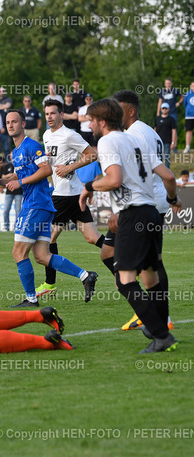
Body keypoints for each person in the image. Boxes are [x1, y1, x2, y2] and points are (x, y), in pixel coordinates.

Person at [79, 99, 179, 353]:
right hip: (151, 213)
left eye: (91, 120)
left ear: (102, 121)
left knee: (125, 281)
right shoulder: (136, 139)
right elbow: (167, 175)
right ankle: (162, 331)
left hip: (133, 215)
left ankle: (160, 334)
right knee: (152, 276)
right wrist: (172, 199)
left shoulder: (108, 141)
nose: (89, 125)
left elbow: (114, 179)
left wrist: (89, 187)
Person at [0, 110, 97, 308]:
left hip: (36, 204)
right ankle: (85, 275)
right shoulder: (16, 151)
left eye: (15, 122)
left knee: (18, 253)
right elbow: (19, 176)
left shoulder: (31, 145)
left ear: (23, 124)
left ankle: (31, 299)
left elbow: (46, 170)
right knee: (42, 256)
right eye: (8, 122)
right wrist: (1, 181)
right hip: (41, 205)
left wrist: (20, 182)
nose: (11, 125)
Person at [111, 90, 178, 332]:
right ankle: (155, 314)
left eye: (118, 109)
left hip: (142, 204)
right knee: (146, 262)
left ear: (129, 111)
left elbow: (141, 172)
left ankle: (157, 316)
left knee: (145, 266)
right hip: (154, 201)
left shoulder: (135, 134)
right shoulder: (147, 130)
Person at [34, 99, 102, 297]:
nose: (49, 117)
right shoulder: (47, 134)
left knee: (47, 241)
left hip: (64, 195)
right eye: (47, 114)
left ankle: (50, 283)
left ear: (61, 115)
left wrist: (69, 167)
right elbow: (55, 161)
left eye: (53, 113)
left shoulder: (69, 135)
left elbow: (92, 155)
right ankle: (126, 260)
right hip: (71, 194)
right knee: (92, 237)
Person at [0, 154, 23, 231]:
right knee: (6, 210)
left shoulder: (21, 165)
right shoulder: (7, 166)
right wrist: (10, 175)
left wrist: (11, 176)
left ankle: (16, 227)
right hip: (9, 191)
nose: (12, 158)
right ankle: (6, 227)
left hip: (19, 191)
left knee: (18, 211)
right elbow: (2, 177)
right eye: (11, 157)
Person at [155, 102, 177, 168]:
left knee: (167, 157)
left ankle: (167, 172)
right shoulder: (157, 119)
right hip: (158, 141)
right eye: (163, 108)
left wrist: (173, 142)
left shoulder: (171, 119)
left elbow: (174, 131)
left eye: (166, 108)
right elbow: (155, 129)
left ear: (168, 109)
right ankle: (160, 173)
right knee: (158, 157)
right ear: (161, 109)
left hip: (167, 141)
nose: (164, 109)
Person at [184, 81, 194, 154]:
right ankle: (187, 147)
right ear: (190, 86)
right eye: (193, 86)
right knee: (189, 131)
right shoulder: (187, 94)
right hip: (189, 116)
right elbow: (185, 104)